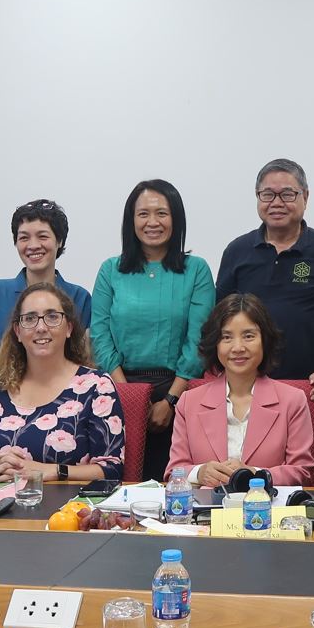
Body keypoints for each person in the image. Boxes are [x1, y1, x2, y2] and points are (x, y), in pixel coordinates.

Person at [215, 159, 314, 479]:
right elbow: (221, 320)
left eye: (287, 194)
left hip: (313, 388)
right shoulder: (238, 251)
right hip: (248, 388)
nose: (277, 202)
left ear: (305, 196)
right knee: (249, 475)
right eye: (267, 194)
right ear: (257, 199)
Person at [91, 179, 215, 480]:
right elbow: (100, 333)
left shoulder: (196, 269)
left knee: (174, 485)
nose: (152, 222)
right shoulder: (111, 270)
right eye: (143, 213)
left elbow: (199, 338)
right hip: (118, 387)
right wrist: (125, 393)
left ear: (176, 219)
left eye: (162, 213)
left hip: (178, 390)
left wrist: (170, 400)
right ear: (130, 220)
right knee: (116, 479)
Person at [0, 282, 124, 482]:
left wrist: (53, 471)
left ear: (69, 328)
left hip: (64, 509)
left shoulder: (96, 386)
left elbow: (111, 468)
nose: (41, 327)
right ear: (17, 331)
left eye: (52, 317)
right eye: (30, 319)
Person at [167, 293, 314, 486]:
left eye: (248, 336)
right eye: (226, 337)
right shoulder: (188, 402)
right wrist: (199, 472)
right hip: (207, 511)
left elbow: (302, 470)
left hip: (266, 510)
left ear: (265, 340)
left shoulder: (293, 400)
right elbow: (174, 471)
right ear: (215, 343)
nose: (238, 347)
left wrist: (255, 474)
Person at [0, 199, 92, 374]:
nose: (33, 246)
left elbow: (83, 358)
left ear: (60, 241)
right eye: (24, 238)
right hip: (5, 389)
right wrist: (26, 371)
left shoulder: (80, 297)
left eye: (42, 236)